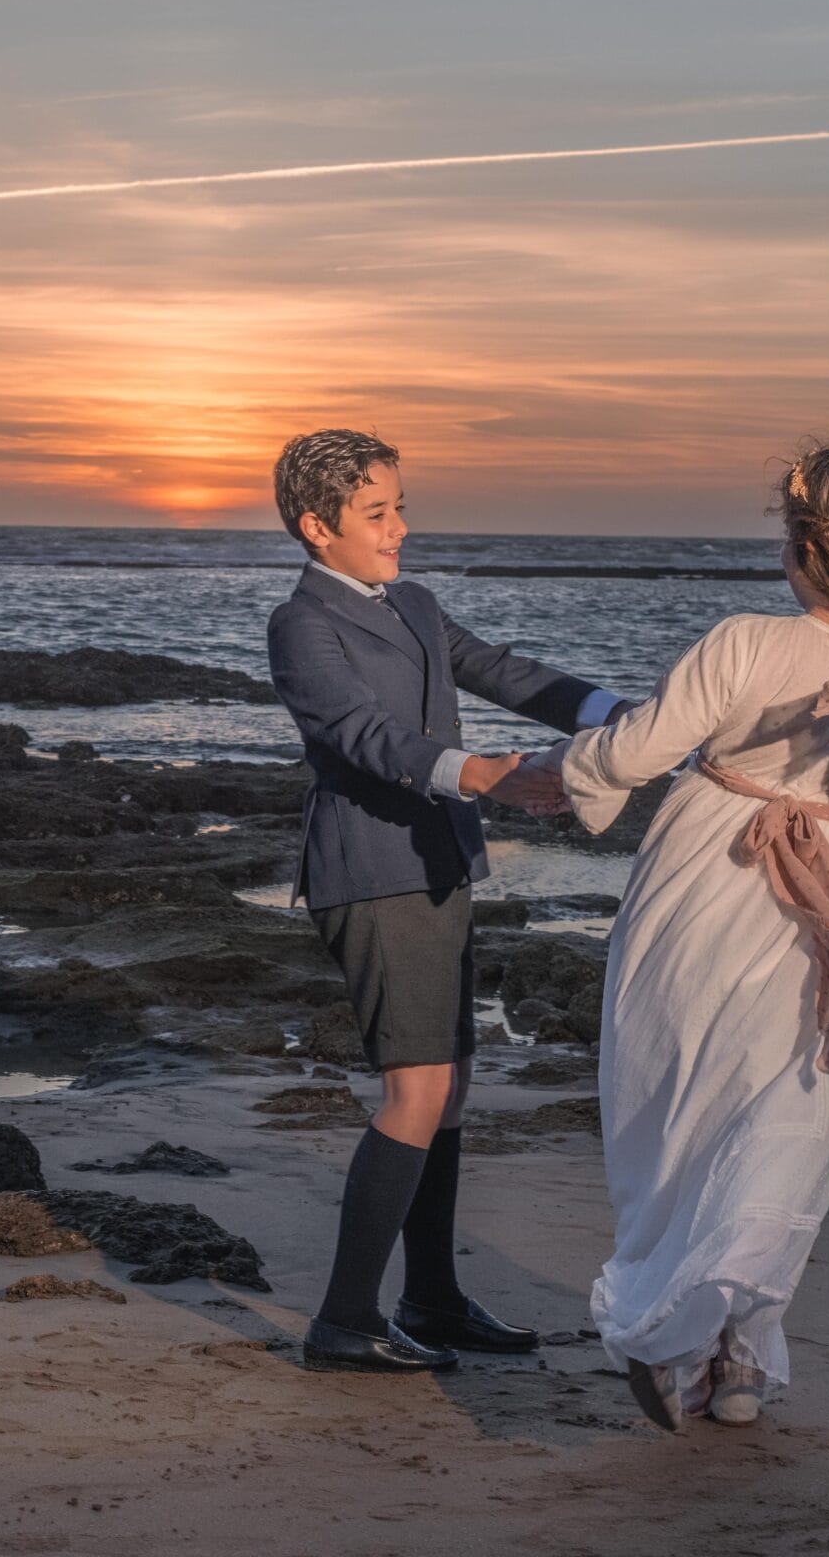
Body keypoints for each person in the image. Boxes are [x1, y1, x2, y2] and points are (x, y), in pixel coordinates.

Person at [542, 436, 829, 1429]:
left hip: (714, 886)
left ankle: (668, 1328)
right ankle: (733, 1350)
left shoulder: (741, 642)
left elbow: (633, 753)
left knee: (676, 1103)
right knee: (787, 1122)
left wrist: (564, 770)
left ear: (806, 548)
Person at [266, 427, 627, 1374]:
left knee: (451, 1086)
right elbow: (363, 735)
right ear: (317, 526)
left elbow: (504, 672)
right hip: (373, 872)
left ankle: (431, 1296)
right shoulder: (301, 625)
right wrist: (484, 774)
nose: (399, 528)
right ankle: (345, 1319)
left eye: (399, 508)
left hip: (439, 862)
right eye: (376, 513)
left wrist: (634, 717)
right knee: (417, 1087)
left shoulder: (416, 603)